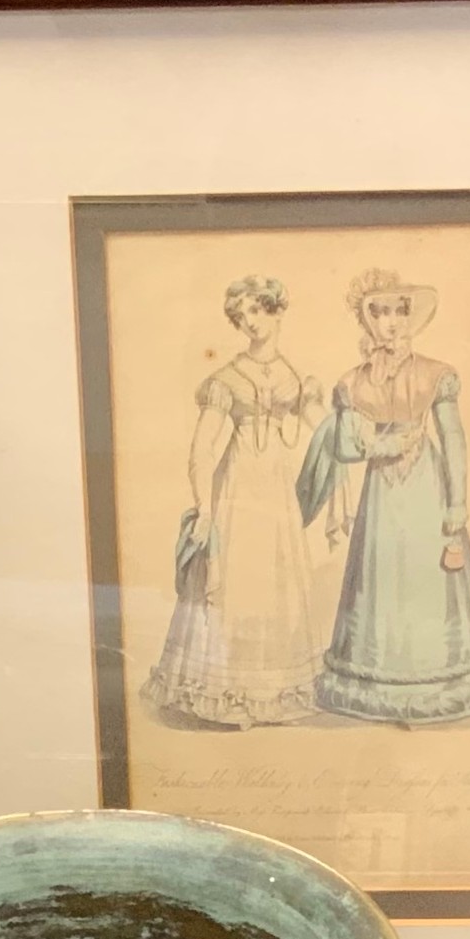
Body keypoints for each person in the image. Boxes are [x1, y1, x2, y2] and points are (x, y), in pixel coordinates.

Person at [300, 268, 470, 723]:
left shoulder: (436, 374)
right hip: (380, 492)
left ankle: (435, 680)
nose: (391, 321)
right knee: (382, 573)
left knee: (425, 576)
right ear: (365, 319)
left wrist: (458, 501)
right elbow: (345, 444)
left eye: (400, 310)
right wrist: (376, 446)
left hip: (426, 489)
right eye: (379, 311)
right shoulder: (353, 381)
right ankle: (379, 683)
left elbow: (453, 436)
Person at [141, 276, 325, 728]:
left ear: (277, 310)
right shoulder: (226, 379)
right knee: (236, 580)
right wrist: (205, 506)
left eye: (258, 311)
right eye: (242, 316)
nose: (250, 322)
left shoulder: (298, 378)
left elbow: (325, 433)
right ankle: (226, 694)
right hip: (237, 489)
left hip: (279, 495)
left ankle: (270, 694)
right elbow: (202, 448)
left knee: (274, 582)